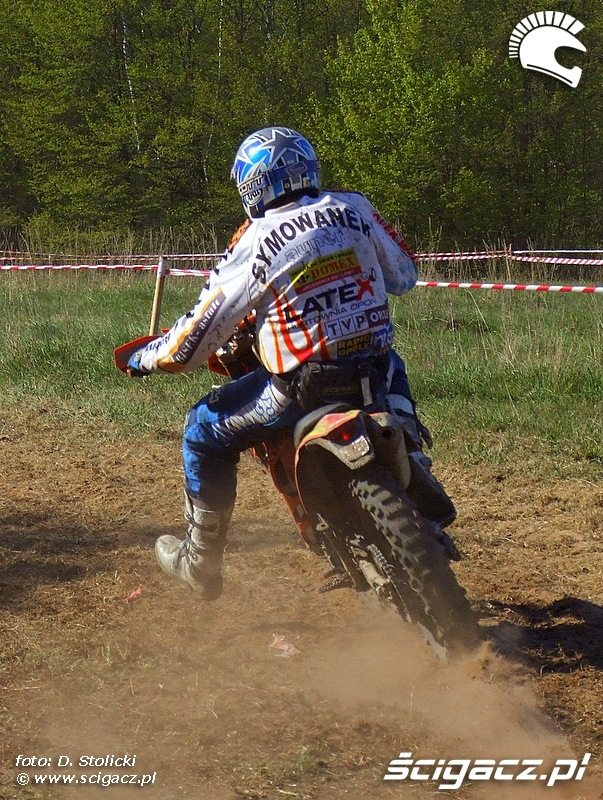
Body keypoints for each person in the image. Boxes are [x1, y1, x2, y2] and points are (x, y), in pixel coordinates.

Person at [125, 126, 455, 599]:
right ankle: (417, 465)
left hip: (299, 390)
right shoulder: (354, 206)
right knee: (390, 362)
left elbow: (192, 342)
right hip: (374, 371)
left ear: (251, 187)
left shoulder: (254, 240)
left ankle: (199, 561)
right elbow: (404, 276)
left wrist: (146, 357)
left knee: (200, 430)